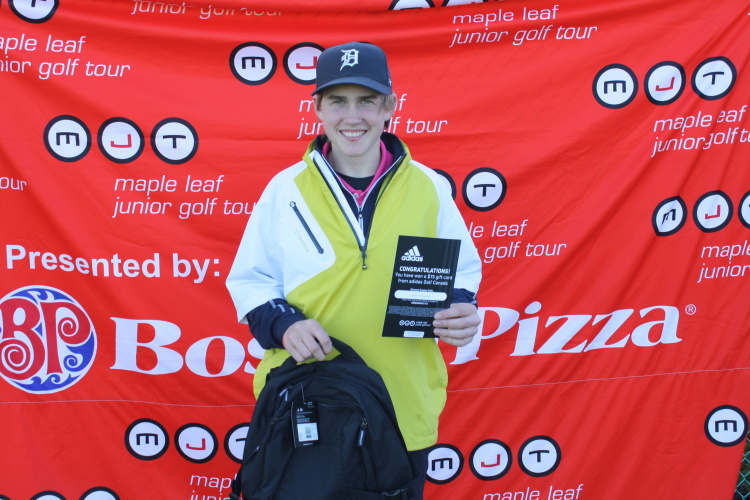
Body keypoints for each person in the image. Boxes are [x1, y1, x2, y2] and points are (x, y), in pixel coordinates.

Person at [226, 41, 482, 498]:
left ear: (389, 107)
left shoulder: (429, 188)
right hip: (307, 406)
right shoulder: (285, 189)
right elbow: (251, 281)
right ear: (318, 109)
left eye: (367, 101)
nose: (353, 116)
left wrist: (460, 310)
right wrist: (285, 325)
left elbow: (461, 275)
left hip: (401, 406)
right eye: (338, 101)